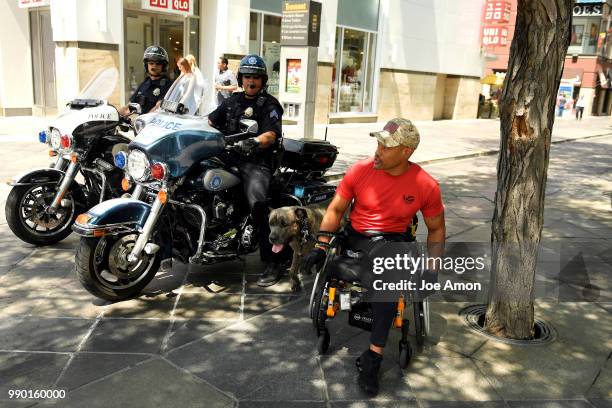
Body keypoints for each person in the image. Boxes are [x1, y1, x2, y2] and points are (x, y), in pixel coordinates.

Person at [302, 118, 446, 396]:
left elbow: (437, 229)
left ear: (406, 151)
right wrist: (320, 246)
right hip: (357, 238)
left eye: (386, 146)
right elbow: (335, 211)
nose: (378, 150)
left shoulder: (425, 185)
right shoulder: (360, 171)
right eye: (378, 143)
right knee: (360, 272)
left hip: (394, 242)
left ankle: (373, 358)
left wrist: (431, 271)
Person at [208, 54, 285, 287]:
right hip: (228, 159)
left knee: (259, 207)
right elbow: (210, 121)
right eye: (247, 77)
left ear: (263, 80)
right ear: (241, 78)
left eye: (256, 78)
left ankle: (274, 261)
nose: (251, 82)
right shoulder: (232, 101)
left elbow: (271, 134)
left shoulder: (270, 104)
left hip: (256, 162)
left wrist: (254, 142)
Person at [119, 45, 173, 116]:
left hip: (153, 124)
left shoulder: (168, 85)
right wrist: (116, 115)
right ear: (146, 65)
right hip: (141, 124)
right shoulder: (145, 84)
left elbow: (159, 107)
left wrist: (144, 120)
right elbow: (130, 107)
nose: (154, 66)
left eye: (158, 63)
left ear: (163, 66)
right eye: (151, 63)